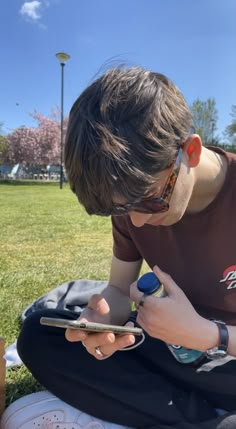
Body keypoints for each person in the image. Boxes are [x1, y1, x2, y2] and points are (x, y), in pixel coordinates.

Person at [11, 68, 236, 428]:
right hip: (176, 347)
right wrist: (103, 316)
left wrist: (212, 334)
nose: (137, 222)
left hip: (227, 357)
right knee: (41, 336)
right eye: (120, 209)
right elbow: (118, 288)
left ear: (189, 152)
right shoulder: (132, 206)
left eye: (149, 201)